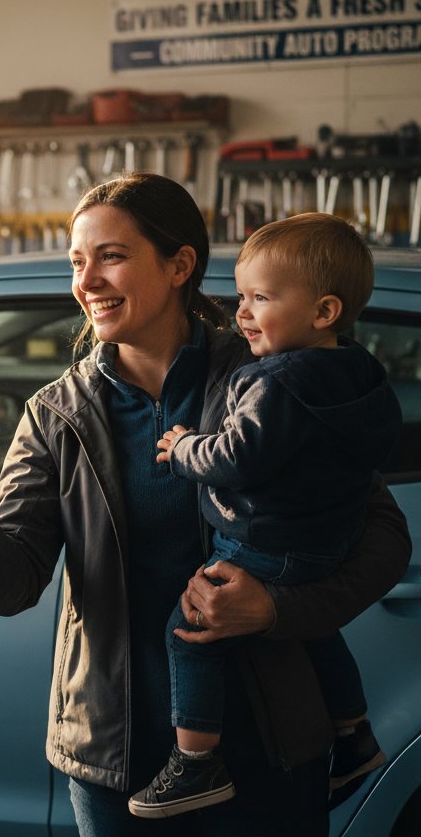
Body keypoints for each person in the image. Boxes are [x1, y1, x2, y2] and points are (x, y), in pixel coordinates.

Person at [0, 173, 410, 836]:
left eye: (112, 255)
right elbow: (12, 583)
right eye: (78, 261)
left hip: (270, 751)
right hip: (118, 769)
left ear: (180, 264)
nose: (87, 280)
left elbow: (385, 537)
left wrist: (276, 609)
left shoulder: (270, 378)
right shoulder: (56, 416)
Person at [128, 213, 401, 820]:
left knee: (191, 628)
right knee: (315, 630)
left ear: (324, 311)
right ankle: (354, 732)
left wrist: (183, 449)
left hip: (267, 542)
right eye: (241, 296)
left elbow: (236, 456)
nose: (242, 312)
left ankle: (197, 762)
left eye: (260, 298)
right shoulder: (356, 371)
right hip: (329, 541)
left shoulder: (275, 382)